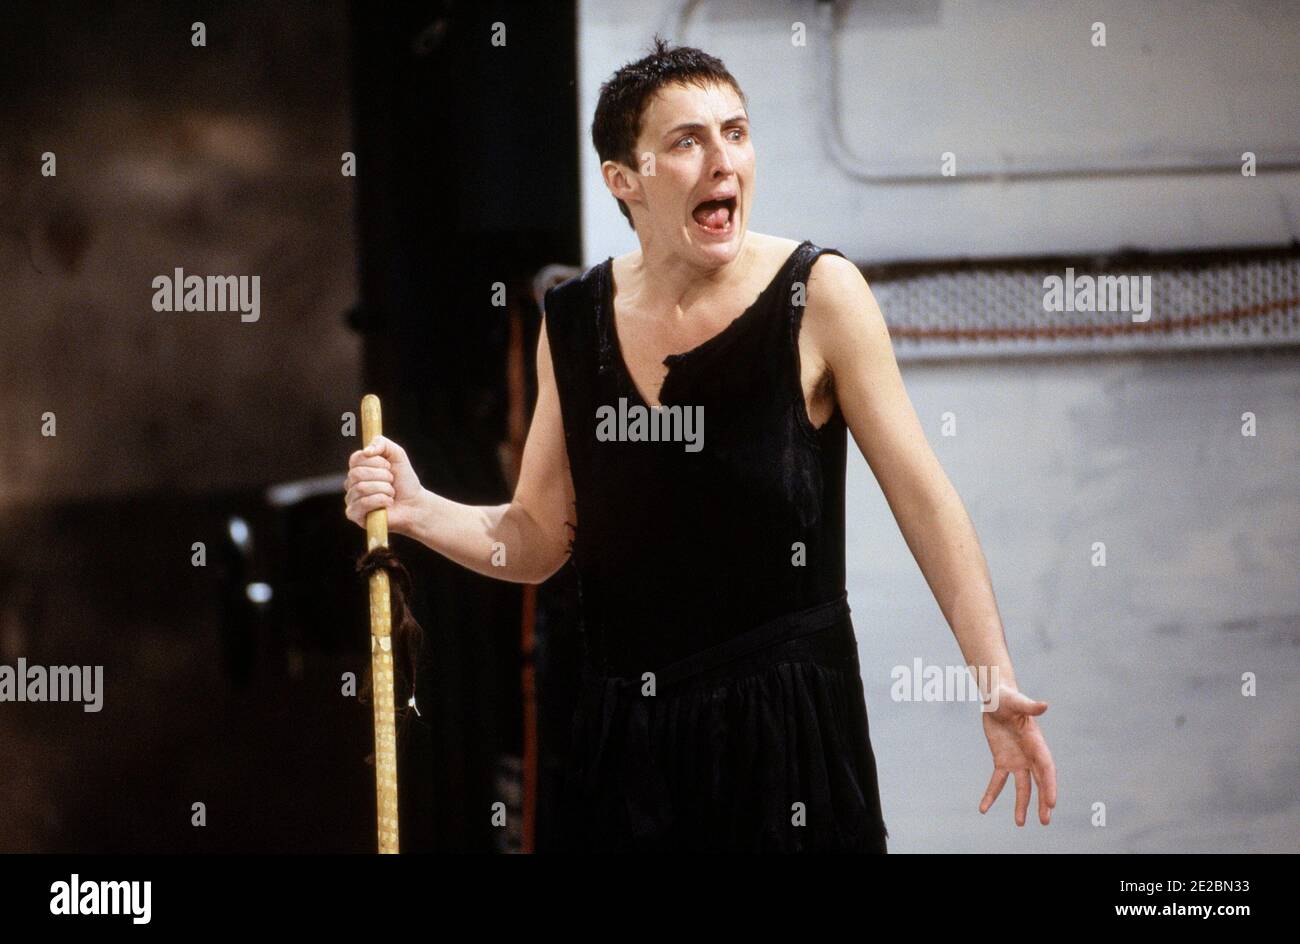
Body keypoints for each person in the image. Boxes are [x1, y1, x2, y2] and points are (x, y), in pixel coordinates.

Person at [344, 37, 1057, 852]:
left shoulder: (818, 296)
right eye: (688, 141)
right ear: (624, 181)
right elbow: (538, 541)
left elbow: (926, 501)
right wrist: (418, 509)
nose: (724, 162)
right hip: (628, 748)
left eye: (737, 133)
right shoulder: (574, 322)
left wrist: (992, 678)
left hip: (787, 735)